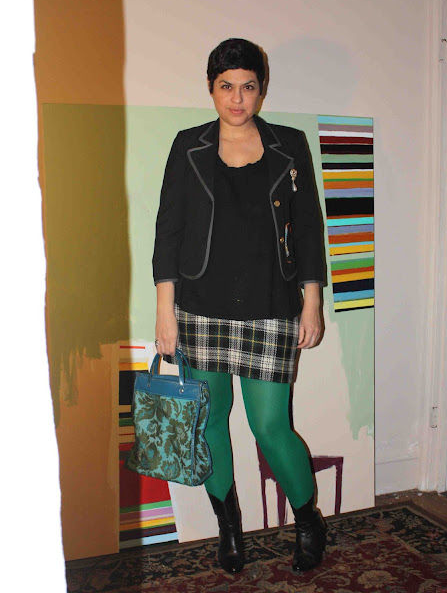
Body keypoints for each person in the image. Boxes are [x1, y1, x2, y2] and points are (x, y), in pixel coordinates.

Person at [153, 38, 327, 574]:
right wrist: (164, 311)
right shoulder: (188, 146)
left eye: (248, 86)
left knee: (270, 426)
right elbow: (168, 231)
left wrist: (312, 301)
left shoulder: (289, 145)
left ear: (261, 89)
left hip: (272, 302)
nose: (237, 98)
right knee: (210, 422)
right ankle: (229, 528)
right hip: (200, 306)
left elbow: (309, 227)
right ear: (211, 88)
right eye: (226, 86)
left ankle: (308, 519)